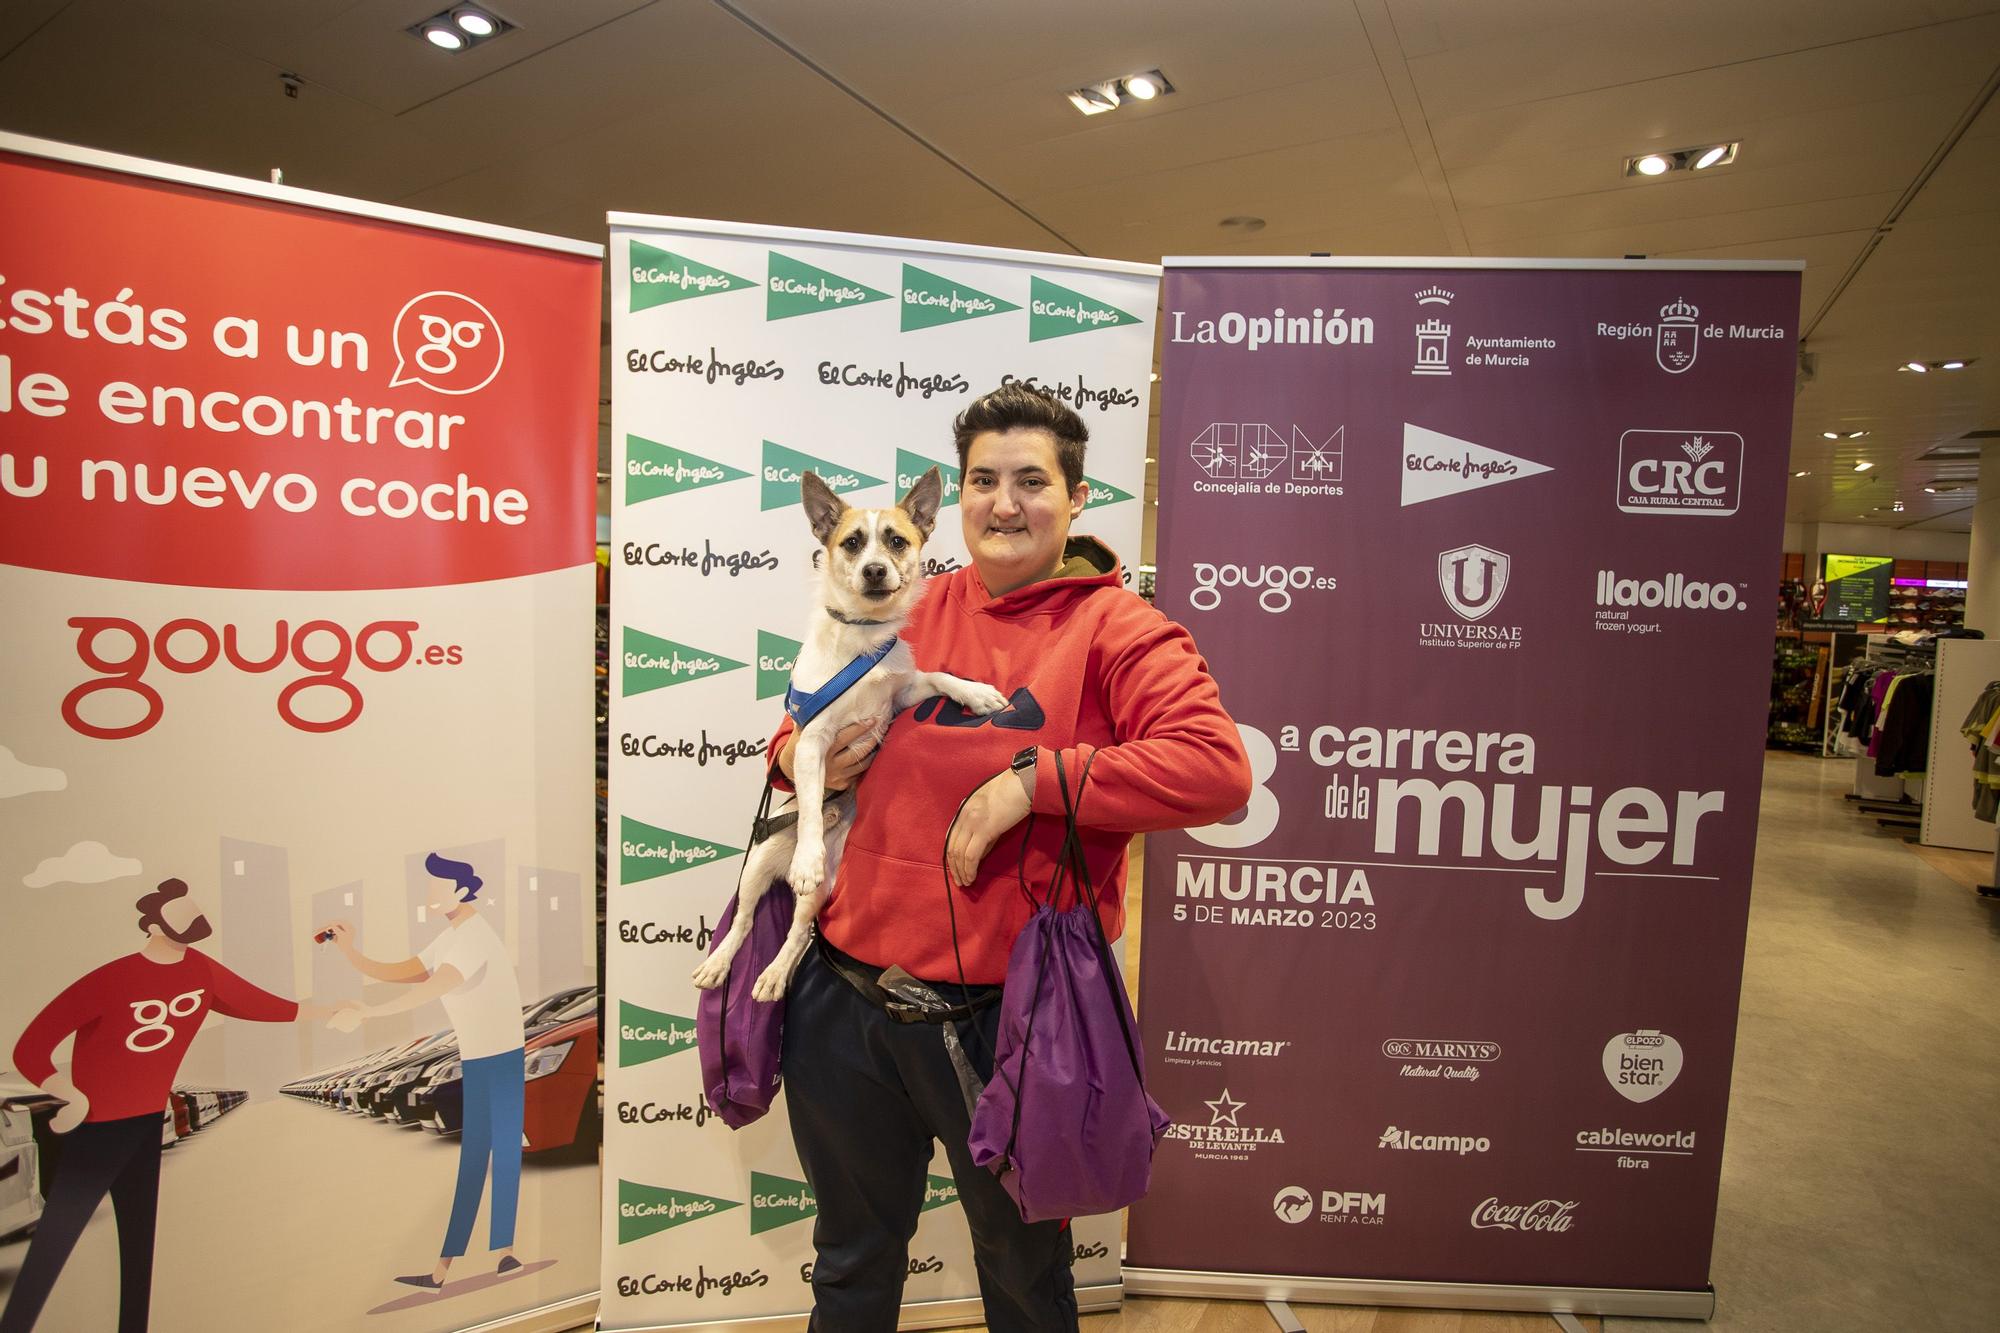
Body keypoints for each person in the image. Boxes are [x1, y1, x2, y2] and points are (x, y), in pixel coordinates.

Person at [770, 382, 1251, 1332]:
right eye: (983, 479)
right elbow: (794, 733)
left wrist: (1035, 783)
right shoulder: (902, 600)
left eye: (1032, 480)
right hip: (844, 1000)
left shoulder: (1118, 628)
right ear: (955, 498)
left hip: (1003, 1024)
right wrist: (796, 756)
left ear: (1076, 498)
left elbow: (1216, 768)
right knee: (849, 1264)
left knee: (1025, 1278)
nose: (1004, 501)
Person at [3, 878, 348, 1333]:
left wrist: (327, 1012)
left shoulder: (200, 971)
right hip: (98, 1127)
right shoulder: (112, 978)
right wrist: (69, 1092)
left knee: (139, 1242)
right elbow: (30, 1048)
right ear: (153, 926)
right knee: (56, 1239)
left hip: (147, 1122)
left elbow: (257, 1003)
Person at [317, 852, 525, 1290]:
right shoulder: (450, 936)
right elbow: (403, 972)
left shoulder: (474, 937)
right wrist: (349, 949)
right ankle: (458, 1266)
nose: (429, 893)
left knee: (498, 1154)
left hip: (501, 1055)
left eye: (436, 886)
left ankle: (492, 1257)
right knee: (484, 1156)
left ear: (461, 891)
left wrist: (371, 1013)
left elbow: (435, 986)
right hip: (480, 1056)